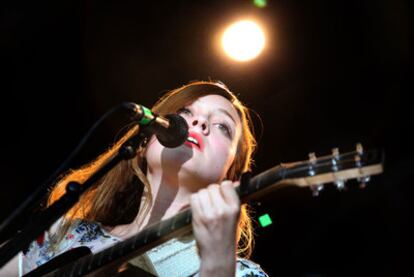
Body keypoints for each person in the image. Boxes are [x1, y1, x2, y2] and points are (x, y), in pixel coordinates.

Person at [1, 80, 268, 276]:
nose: (198, 123)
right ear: (144, 141)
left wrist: (218, 266)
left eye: (222, 126)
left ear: (230, 175)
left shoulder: (240, 273)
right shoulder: (68, 235)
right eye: (185, 113)